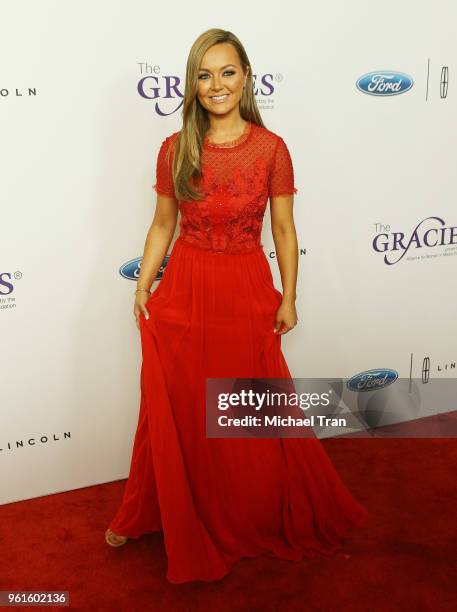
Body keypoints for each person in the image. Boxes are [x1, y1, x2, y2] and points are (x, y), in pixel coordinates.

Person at [105, 28, 369, 584]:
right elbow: (161, 226)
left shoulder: (271, 148)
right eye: (204, 75)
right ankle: (157, 509)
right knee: (176, 409)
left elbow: (283, 228)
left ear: (246, 76)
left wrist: (289, 295)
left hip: (246, 284)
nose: (216, 84)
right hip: (187, 286)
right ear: (193, 84)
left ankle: (245, 513)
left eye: (227, 72)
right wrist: (142, 287)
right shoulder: (175, 148)